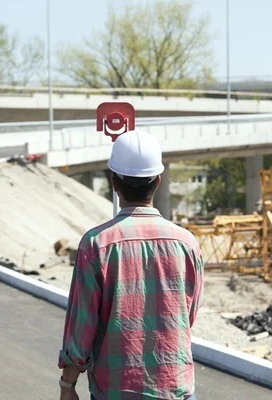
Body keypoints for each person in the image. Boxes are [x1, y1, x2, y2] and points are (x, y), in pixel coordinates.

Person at [58, 130, 204, 400]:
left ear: (114, 183)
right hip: (175, 388)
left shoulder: (96, 244)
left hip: (116, 389)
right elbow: (187, 316)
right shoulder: (187, 243)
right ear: (158, 181)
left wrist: (68, 384)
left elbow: (82, 326)